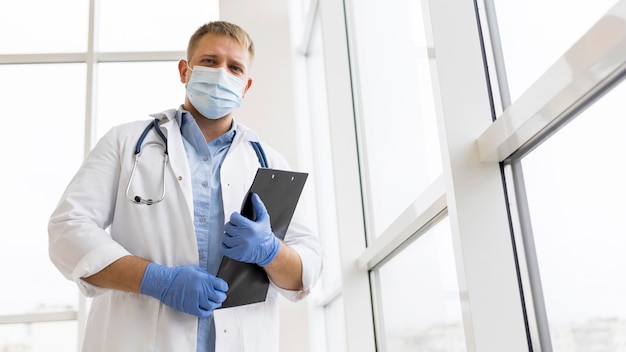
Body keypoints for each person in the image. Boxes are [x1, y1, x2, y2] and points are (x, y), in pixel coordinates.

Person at [48, 20, 323, 352]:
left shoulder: (270, 162)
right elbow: (68, 230)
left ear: (246, 85)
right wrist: (157, 281)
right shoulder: (125, 142)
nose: (222, 73)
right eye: (210, 61)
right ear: (185, 70)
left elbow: (306, 272)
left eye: (234, 67)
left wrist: (270, 250)